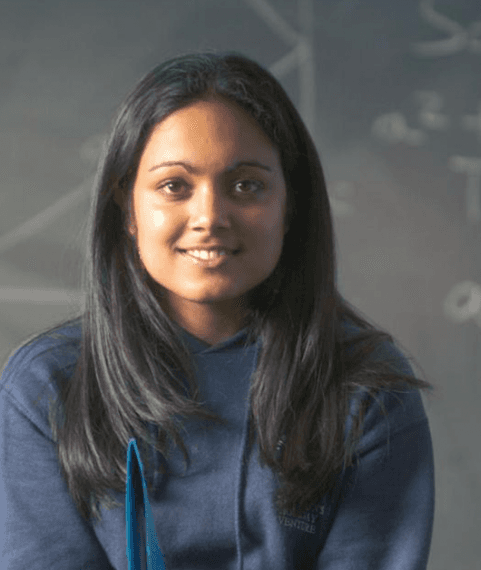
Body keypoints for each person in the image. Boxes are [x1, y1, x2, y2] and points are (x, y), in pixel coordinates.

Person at [0, 52, 434, 569]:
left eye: (246, 185)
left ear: (289, 204)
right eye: (173, 187)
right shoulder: (47, 386)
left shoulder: (366, 388)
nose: (209, 216)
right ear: (127, 205)